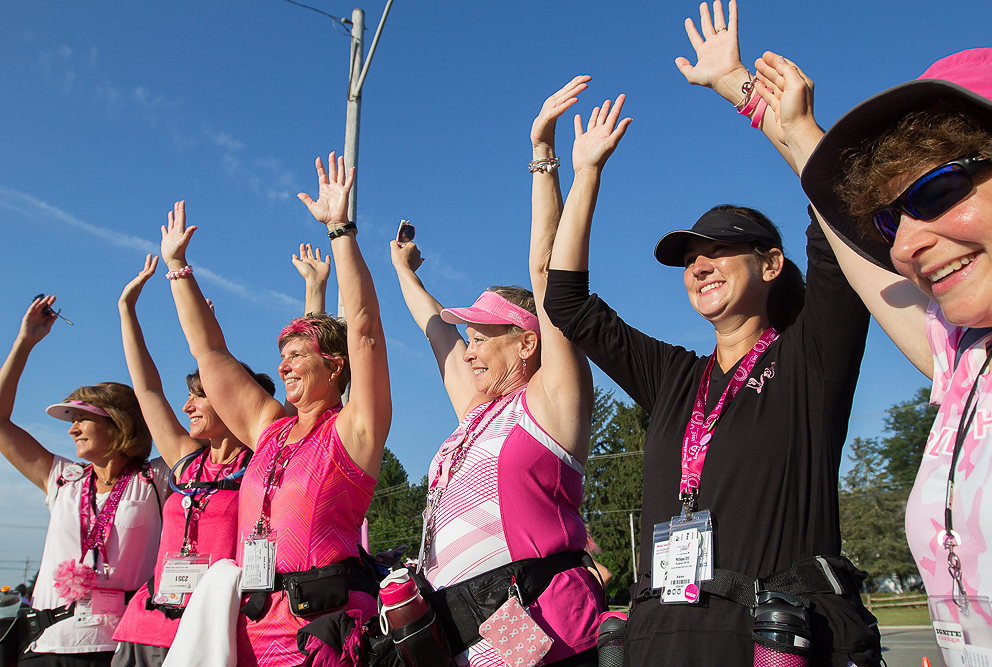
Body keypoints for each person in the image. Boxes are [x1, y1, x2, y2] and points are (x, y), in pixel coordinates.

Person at [542, 8, 880, 665]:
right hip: (657, 645)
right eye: (690, 257)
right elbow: (568, 304)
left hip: (764, 646)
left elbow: (841, 211)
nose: (700, 265)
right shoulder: (675, 379)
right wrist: (586, 176)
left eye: (721, 249)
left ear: (771, 264)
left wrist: (741, 91)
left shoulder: (810, 358)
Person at [751, 31, 992, 655]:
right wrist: (779, 119)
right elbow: (855, 248)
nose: (904, 246)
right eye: (891, 220)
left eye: (938, 191)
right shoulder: (968, 360)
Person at [387, 77, 606, 667]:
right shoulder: (478, 413)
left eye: (484, 337)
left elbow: (548, 273)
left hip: (553, 635)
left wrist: (543, 153)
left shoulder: (549, 403)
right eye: (471, 338)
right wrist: (405, 272)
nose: (469, 350)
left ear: (528, 343)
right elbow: (437, 333)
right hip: (471, 641)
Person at [161, 150, 391, 667]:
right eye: (281, 357)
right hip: (248, 633)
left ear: (335, 365)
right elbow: (210, 352)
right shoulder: (270, 429)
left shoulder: (356, 429)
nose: (283, 367)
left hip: (321, 635)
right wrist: (177, 269)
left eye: (297, 356)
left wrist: (340, 230)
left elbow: (365, 331)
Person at [111, 254, 276, 667]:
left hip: (207, 636)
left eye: (198, 396)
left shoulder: (261, 465)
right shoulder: (186, 463)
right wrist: (126, 311)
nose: (186, 407)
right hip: (144, 628)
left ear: (227, 397)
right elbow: (147, 390)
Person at [0, 297, 170, 667]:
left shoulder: (155, 478)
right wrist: (24, 342)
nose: (72, 429)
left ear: (119, 422)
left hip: (121, 650)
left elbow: (162, 404)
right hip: (46, 647)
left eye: (82, 418)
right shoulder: (63, 477)